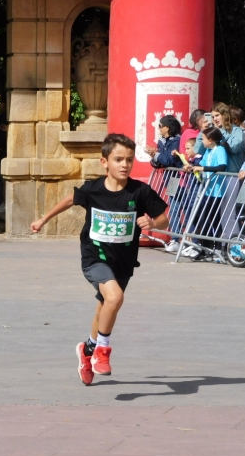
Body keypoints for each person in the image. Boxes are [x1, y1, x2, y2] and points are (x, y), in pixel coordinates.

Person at [30, 134, 169, 385]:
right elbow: (69, 200)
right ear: (104, 162)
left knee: (105, 306)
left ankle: (87, 350)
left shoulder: (140, 191)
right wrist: (43, 219)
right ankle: (102, 352)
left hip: (123, 262)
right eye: (118, 159)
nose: (124, 165)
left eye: (129, 160)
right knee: (115, 297)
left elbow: (164, 219)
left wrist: (152, 222)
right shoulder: (93, 189)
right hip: (94, 258)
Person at [183, 126, 228, 258]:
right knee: (206, 219)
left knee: (215, 219)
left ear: (211, 139)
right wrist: (191, 166)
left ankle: (219, 248)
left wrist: (202, 168)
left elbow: (222, 166)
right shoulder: (208, 151)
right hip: (207, 190)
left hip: (217, 191)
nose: (201, 142)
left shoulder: (220, 150)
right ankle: (206, 247)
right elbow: (200, 163)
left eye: (202, 139)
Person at [195, 102, 244, 172]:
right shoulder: (212, 131)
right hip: (213, 175)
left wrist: (219, 132)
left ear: (225, 115)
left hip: (230, 175)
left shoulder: (236, 130)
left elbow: (234, 148)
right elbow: (198, 150)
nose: (215, 119)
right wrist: (203, 131)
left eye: (217, 115)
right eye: (212, 117)